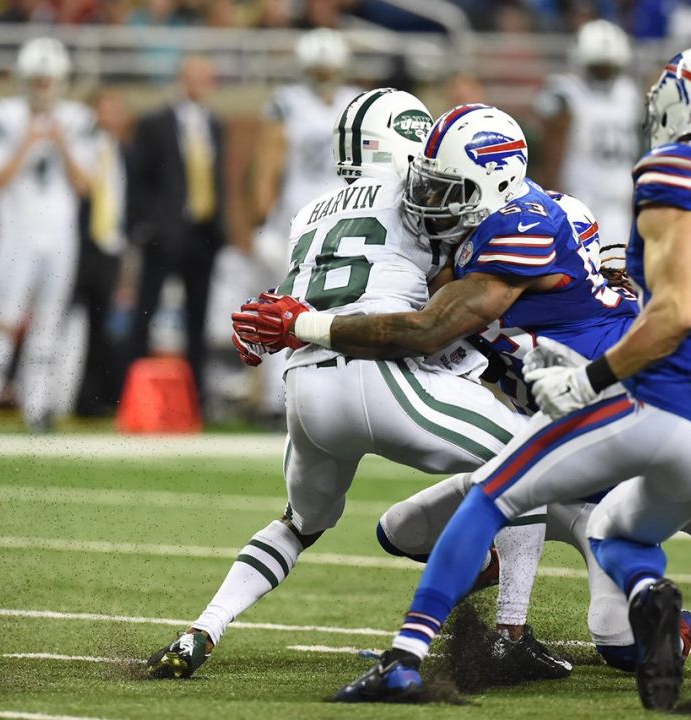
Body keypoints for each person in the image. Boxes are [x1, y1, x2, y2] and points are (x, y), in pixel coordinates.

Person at [238, 101, 691, 689]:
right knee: (640, 605)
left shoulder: (515, 229)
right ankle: (645, 616)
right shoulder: (524, 221)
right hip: (597, 414)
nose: (431, 199)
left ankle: (419, 650)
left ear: (497, 180)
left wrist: (305, 325)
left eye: (448, 187)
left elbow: (428, 331)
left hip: (643, 397)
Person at [145, 89, 570, 684]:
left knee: (299, 523)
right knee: (532, 458)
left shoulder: (308, 212)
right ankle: (510, 635)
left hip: (305, 387)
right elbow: (448, 290)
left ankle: (202, 630)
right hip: (380, 376)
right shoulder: (416, 193)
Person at [0, 37, 100, 432]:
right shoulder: (0, 115)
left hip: (59, 235)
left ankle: (37, 409)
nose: (44, 88)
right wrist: (27, 142)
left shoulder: (78, 119)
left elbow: (85, 184)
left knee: (48, 323)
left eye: (49, 80)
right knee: (2, 321)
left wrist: (60, 144)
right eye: (38, 80)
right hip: (15, 235)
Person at [247, 28, 361, 417]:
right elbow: (268, 164)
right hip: (296, 221)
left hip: (345, 219)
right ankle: (273, 402)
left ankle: (333, 396)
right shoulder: (287, 103)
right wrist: (261, 220)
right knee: (284, 306)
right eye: (318, 68)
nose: (325, 75)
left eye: (329, 68)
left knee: (341, 308)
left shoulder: (354, 102)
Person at [125, 56, 227, 406]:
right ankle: (129, 394)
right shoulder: (155, 123)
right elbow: (139, 180)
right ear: (183, 80)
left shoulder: (214, 123)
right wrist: (146, 225)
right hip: (165, 234)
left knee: (197, 319)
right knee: (146, 312)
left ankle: (194, 400)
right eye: (197, 78)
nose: (203, 85)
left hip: (203, 233)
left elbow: (215, 178)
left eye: (208, 78)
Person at [534, 19, 641, 275]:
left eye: (608, 68)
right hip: (579, 199)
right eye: (598, 68)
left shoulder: (628, 94)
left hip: (616, 202)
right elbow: (552, 149)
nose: (603, 74)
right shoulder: (565, 93)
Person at [57, 88, 129, 418]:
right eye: (106, 107)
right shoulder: (82, 147)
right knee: (67, 321)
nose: (113, 115)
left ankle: (92, 398)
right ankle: (60, 394)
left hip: (109, 245)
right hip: (79, 244)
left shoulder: (120, 151)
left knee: (101, 325)